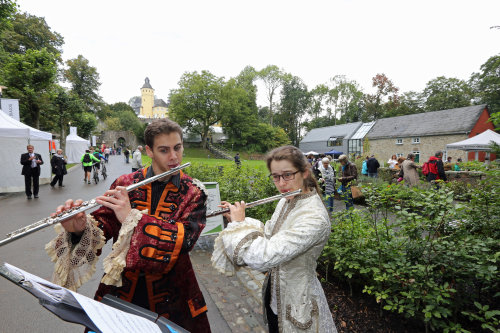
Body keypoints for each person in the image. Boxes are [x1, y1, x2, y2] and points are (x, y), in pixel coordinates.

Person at [46, 119, 210, 332]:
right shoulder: (126, 183)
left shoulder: (194, 191)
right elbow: (104, 224)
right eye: (164, 150)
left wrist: (132, 218)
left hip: (174, 296)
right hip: (123, 291)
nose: (174, 157)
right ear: (149, 151)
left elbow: (185, 240)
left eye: (177, 148)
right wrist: (79, 227)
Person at [212, 145, 337, 333]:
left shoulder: (314, 218)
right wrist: (240, 219)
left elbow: (264, 258)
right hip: (274, 295)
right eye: (276, 177)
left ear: (304, 172)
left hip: (297, 303)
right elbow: (269, 235)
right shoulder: (286, 200)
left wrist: (238, 226)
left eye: (287, 175)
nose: (281, 183)